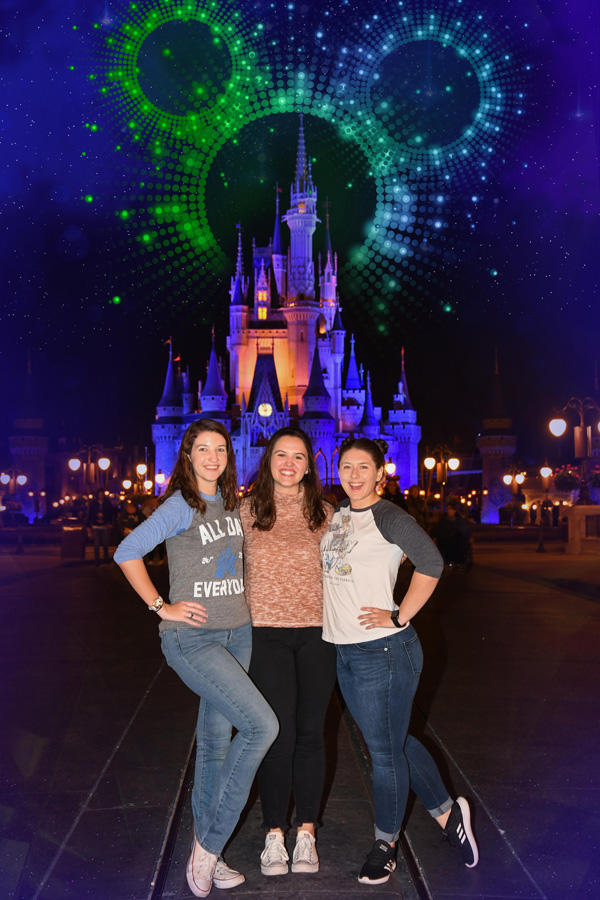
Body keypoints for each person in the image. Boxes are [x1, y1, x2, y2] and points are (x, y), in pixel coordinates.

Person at [114, 419, 279, 898]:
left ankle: (211, 851)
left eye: (220, 449)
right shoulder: (180, 507)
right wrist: (161, 606)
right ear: (186, 456)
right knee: (261, 727)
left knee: (214, 743)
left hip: (238, 634)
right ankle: (208, 845)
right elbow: (128, 551)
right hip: (194, 639)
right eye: (202, 449)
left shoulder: (232, 503)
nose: (212, 457)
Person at [320, 436, 479, 885]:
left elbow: (431, 562)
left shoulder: (389, 516)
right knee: (388, 739)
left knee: (384, 754)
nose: (353, 475)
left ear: (380, 473)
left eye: (363, 468)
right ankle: (449, 816)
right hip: (345, 651)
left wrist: (398, 614)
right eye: (346, 466)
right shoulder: (337, 518)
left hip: (383, 650)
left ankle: (385, 845)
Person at [240, 428, 335, 877]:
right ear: (268, 459)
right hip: (266, 635)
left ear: (309, 464)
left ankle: (307, 832)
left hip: (318, 634)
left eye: (298, 456)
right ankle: (274, 833)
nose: (289, 463)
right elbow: (214, 561)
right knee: (276, 734)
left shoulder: (328, 515)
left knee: (311, 734)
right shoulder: (245, 512)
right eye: (281, 454)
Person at [431, 500, 472, 568]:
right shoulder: (443, 520)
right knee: (450, 544)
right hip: (446, 539)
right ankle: (451, 561)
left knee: (461, 541)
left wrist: (469, 537)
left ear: (454, 510)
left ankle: (460, 561)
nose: (448, 511)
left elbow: (466, 529)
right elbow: (436, 530)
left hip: (457, 539)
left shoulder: (459, 520)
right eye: (447, 509)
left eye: (449, 509)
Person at [86, 488, 114, 565]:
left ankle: (106, 558)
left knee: (105, 543)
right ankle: (97, 560)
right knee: (96, 544)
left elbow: (111, 513)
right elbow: (90, 514)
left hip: (105, 526)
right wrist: (88, 525)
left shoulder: (107, 503)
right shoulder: (94, 504)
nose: (100, 496)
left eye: (102, 494)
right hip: (96, 526)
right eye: (99, 494)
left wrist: (109, 522)